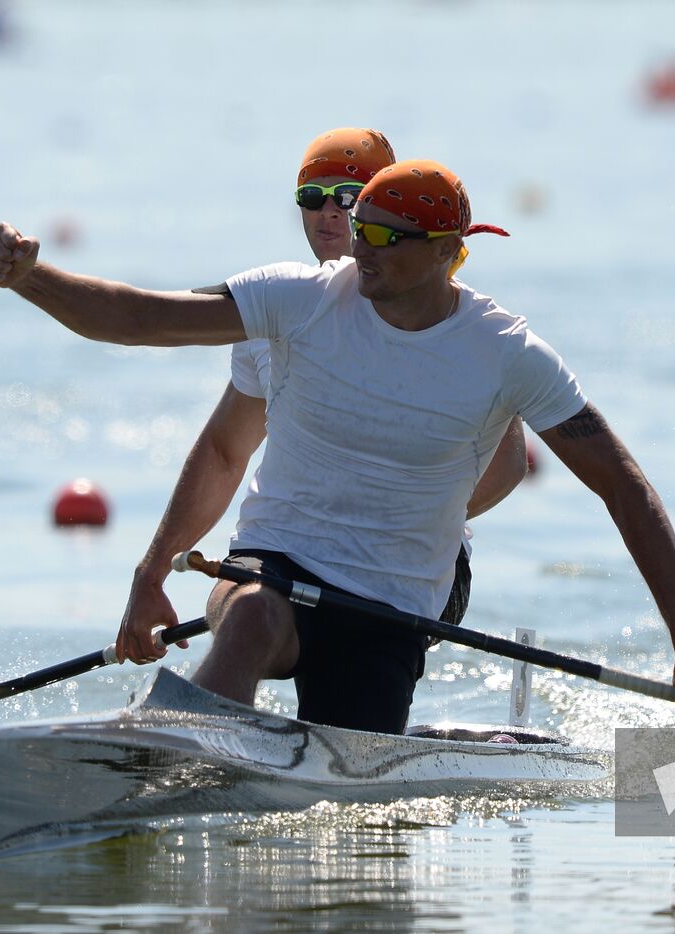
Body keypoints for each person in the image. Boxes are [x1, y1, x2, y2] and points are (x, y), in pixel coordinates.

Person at [0, 158, 675, 730]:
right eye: (358, 227)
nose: (358, 248)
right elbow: (140, 319)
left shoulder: (505, 353)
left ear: (447, 251)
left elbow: (623, 485)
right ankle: (174, 750)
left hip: (392, 601)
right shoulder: (303, 299)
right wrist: (31, 279)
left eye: (384, 237)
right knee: (246, 619)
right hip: (276, 558)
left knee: (349, 756)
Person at [118, 128, 526, 678]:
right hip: (294, 559)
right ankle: (201, 738)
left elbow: (507, 465)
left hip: (418, 572)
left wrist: (380, 529)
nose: (330, 213)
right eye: (313, 197)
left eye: (350, 199)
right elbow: (223, 452)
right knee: (250, 618)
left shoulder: (439, 318)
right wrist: (151, 574)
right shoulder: (278, 308)